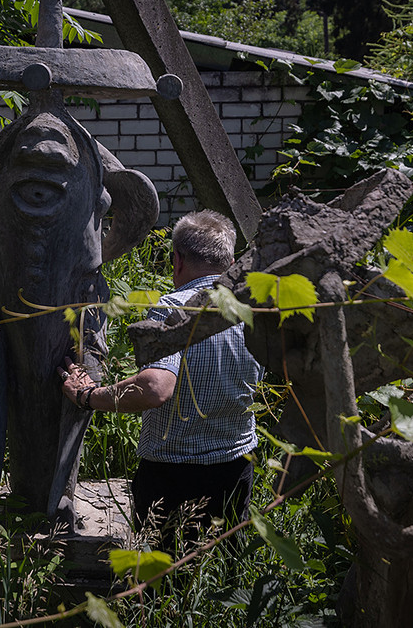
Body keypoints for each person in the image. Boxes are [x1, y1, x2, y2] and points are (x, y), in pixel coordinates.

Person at [59, 210, 264, 547]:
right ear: (229, 261)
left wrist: (88, 395)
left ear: (177, 261)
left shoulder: (175, 308)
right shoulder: (254, 308)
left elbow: (155, 389)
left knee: (163, 587)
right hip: (237, 467)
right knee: (219, 579)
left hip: (173, 478)